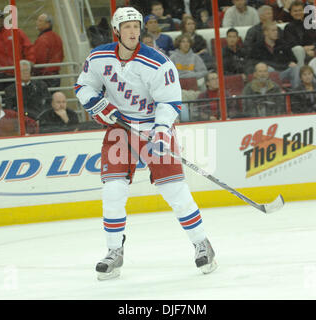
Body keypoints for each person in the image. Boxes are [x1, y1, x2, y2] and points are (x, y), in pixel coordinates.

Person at [74, 7, 217, 280]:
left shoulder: (157, 62)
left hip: (153, 127)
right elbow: (84, 86)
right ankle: (114, 251)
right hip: (120, 129)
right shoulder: (98, 56)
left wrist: (162, 130)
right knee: (113, 191)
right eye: (126, 27)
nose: (132, 31)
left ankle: (202, 243)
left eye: (136, 26)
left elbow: (170, 101)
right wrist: (97, 103)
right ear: (116, 31)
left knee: (174, 190)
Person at [0, 9, 35, 91]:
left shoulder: (15, 32)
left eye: (1, 18)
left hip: (17, 74)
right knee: (2, 101)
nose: (0, 20)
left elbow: (28, 47)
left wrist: (30, 60)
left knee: (20, 99)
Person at [246, 21, 300, 88]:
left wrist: (291, 63)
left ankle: (297, 93)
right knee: (269, 69)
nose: (276, 32)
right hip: (267, 73)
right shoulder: (258, 46)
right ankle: (275, 93)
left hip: (283, 71)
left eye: (276, 30)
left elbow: (293, 60)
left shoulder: (283, 44)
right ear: (266, 32)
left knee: (295, 68)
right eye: (273, 30)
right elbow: (253, 62)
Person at [34, 13, 64, 88]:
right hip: (55, 75)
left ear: (47, 24)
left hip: (44, 76)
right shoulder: (57, 37)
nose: (37, 22)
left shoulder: (43, 39)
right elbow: (61, 56)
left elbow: (40, 59)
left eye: (40, 21)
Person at [283, 0, 316, 67]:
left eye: (300, 10)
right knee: (298, 49)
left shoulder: (310, 24)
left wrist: (314, 48)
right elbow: (291, 43)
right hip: (299, 53)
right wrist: (304, 49)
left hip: (313, 50)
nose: (298, 13)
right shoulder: (289, 27)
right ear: (291, 13)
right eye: (295, 11)